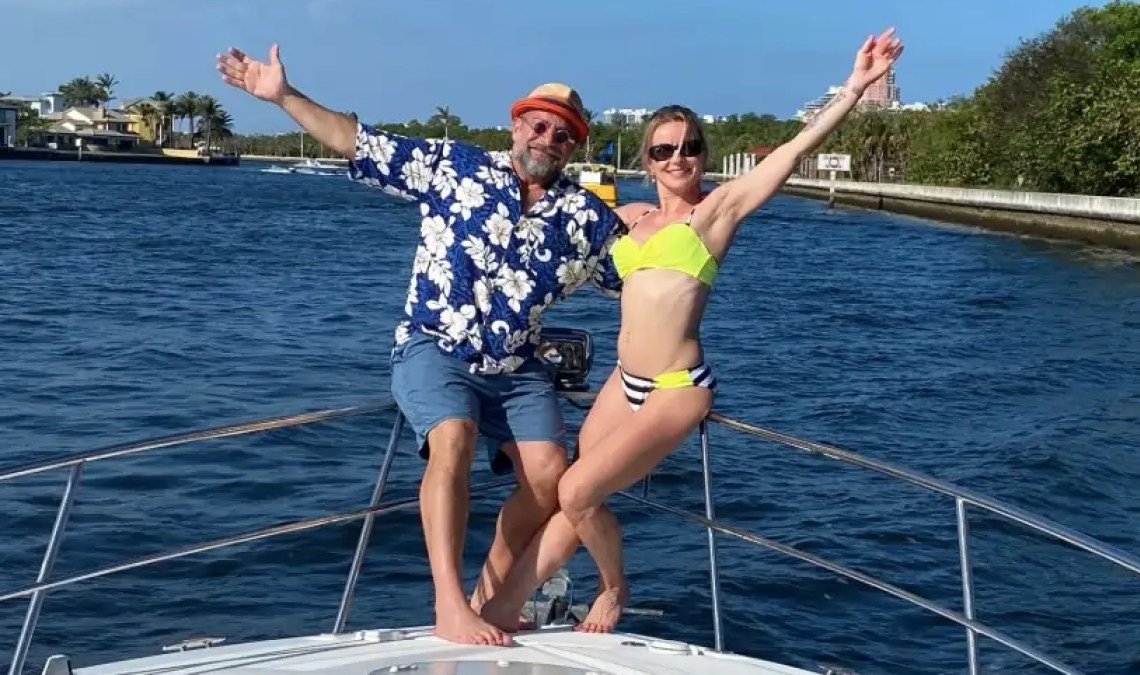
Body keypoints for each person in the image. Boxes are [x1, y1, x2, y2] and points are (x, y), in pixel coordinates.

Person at [480, 28, 905, 633]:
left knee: (576, 493)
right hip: (622, 383)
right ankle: (498, 605)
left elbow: (790, 153)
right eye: (662, 150)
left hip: (677, 386)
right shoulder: (627, 219)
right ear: (645, 160)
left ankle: (611, 588)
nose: (677, 158)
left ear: (703, 154)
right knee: (569, 494)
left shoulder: (716, 212)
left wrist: (854, 88)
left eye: (689, 147)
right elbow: (542, 219)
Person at [216, 45, 626, 646]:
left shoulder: (584, 218)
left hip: (517, 366)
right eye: (539, 125)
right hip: (435, 347)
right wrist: (283, 95)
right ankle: (449, 602)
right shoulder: (454, 167)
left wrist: (682, 217)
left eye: (563, 134)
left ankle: (491, 592)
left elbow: (646, 278)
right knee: (452, 439)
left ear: (573, 146)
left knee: (549, 476)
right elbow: (357, 141)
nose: (548, 138)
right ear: (517, 124)